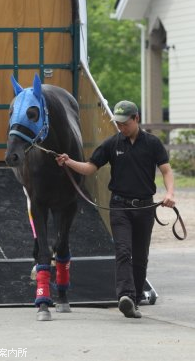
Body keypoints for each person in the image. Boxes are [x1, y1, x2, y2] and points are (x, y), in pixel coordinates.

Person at [56, 100, 175, 319]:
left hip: (145, 207)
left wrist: (169, 194)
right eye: (118, 124)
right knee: (123, 251)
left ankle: (135, 300)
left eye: (124, 123)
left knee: (140, 257)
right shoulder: (111, 144)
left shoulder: (152, 143)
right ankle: (125, 296)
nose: (120, 127)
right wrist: (69, 162)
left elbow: (166, 171)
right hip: (119, 206)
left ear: (136, 119)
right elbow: (90, 168)